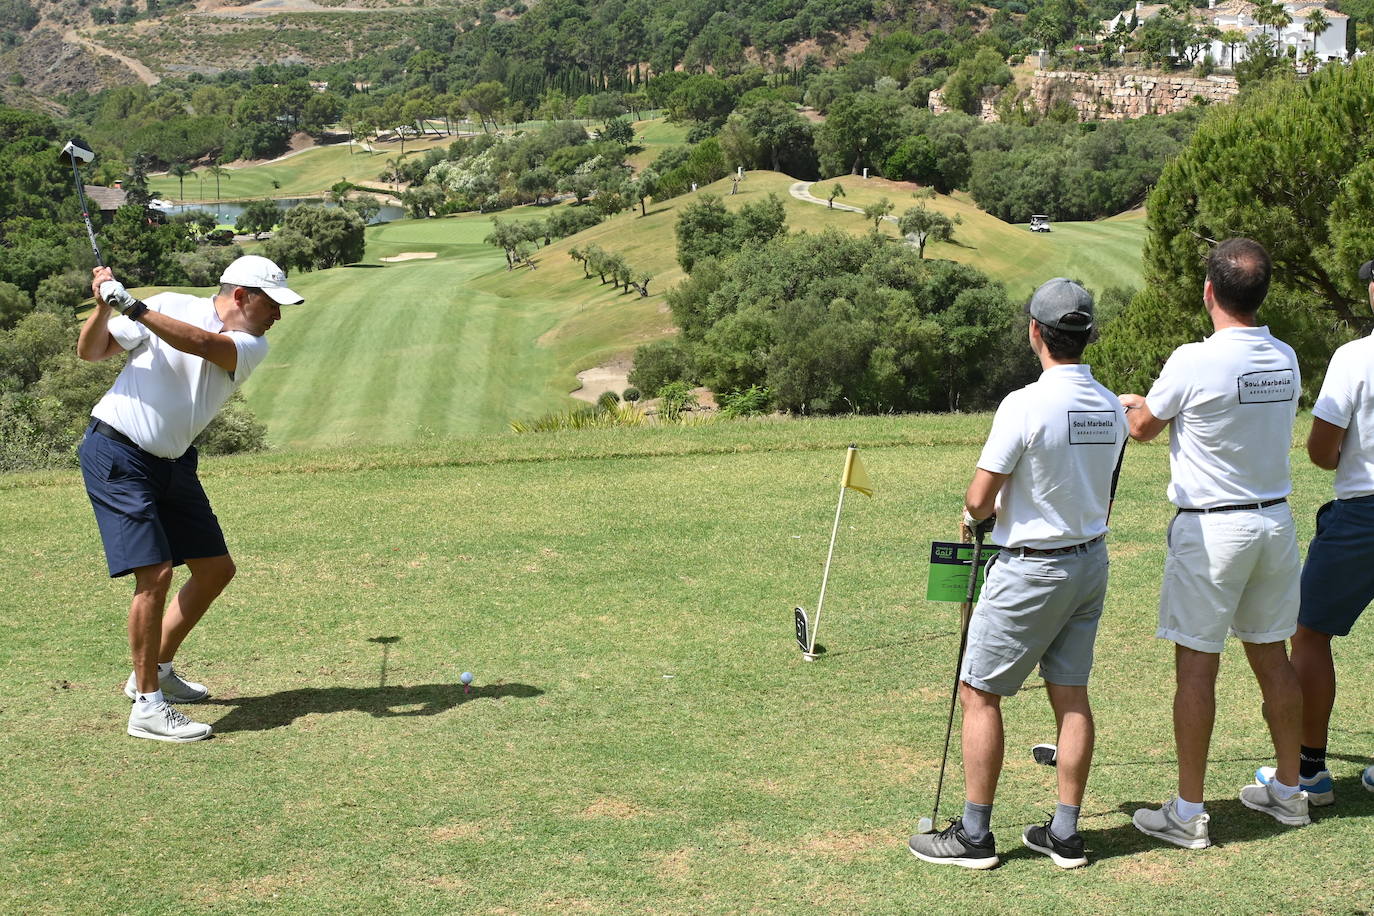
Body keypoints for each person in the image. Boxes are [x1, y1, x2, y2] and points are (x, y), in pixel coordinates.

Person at [909, 279, 1127, 870]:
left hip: (1031, 569)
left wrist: (977, 512)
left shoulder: (1024, 403)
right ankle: (1065, 833)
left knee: (979, 692)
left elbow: (979, 500)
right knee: (1071, 694)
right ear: (1088, 335)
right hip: (1090, 562)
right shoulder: (1111, 406)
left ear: (1036, 332)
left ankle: (975, 837)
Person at [1120, 238, 1309, 849]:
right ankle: (1288, 791)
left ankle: (1188, 811)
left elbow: (1146, 428)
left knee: (1197, 665)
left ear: (1209, 292)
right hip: (1274, 522)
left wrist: (1132, 406)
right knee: (1272, 657)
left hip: (1212, 528)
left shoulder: (1193, 359)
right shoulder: (1285, 356)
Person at [76, 255, 304, 742]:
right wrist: (102, 308)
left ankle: (155, 670)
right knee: (155, 573)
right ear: (241, 295)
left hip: (174, 461)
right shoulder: (168, 304)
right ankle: (147, 705)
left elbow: (201, 343)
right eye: (272, 304)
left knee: (215, 568)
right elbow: (91, 353)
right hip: (116, 450)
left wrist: (132, 306)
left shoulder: (249, 344)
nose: (277, 316)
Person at [1253, 258, 1374, 804]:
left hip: (1363, 516)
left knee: (1309, 632)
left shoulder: (1356, 358)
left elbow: (1323, 452)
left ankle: (1309, 770)